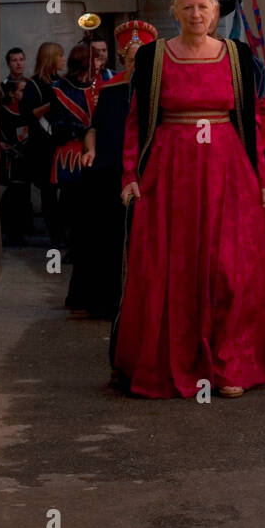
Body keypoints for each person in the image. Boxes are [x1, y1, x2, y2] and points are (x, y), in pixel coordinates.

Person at [112, 0, 265, 399]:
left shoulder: (237, 55)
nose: (195, 14)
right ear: (174, 12)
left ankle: (231, 360)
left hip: (229, 173)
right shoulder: (152, 58)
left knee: (231, 269)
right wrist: (130, 176)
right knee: (174, 271)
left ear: (215, 13)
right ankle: (177, 360)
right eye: (187, 7)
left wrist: (262, 175)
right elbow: (136, 122)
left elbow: (255, 120)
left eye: (204, 7)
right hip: (168, 176)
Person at [73, 21, 158, 320]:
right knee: (108, 237)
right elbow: (94, 127)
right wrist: (91, 149)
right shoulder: (111, 88)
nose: (137, 62)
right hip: (111, 168)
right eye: (132, 57)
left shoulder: (159, 88)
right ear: (124, 59)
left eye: (143, 56)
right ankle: (106, 299)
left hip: (148, 170)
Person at [49, 44, 94, 274]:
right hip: (71, 152)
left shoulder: (100, 87)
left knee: (90, 205)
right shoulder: (59, 89)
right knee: (71, 204)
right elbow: (55, 125)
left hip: (94, 151)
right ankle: (71, 246)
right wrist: (83, 130)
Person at [23, 42, 66, 246]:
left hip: (59, 144)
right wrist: (53, 103)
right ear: (51, 58)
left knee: (64, 192)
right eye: (60, 55)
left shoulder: (61, 81)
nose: (63, 60)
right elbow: (28, 114)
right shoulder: (33, 85)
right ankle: (56, 239)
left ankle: (65, 235)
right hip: (42, 147)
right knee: (49, 195)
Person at [0, 47, 32, 244]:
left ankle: (24, 225)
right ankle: (12, 230)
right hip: (10, 148)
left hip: (27, 148)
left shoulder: (30, 85)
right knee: (13, 189)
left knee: (24, 188)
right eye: (14, 60)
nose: (18, 63)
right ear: (8, 63)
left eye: (21, 59)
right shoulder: (2, 87)